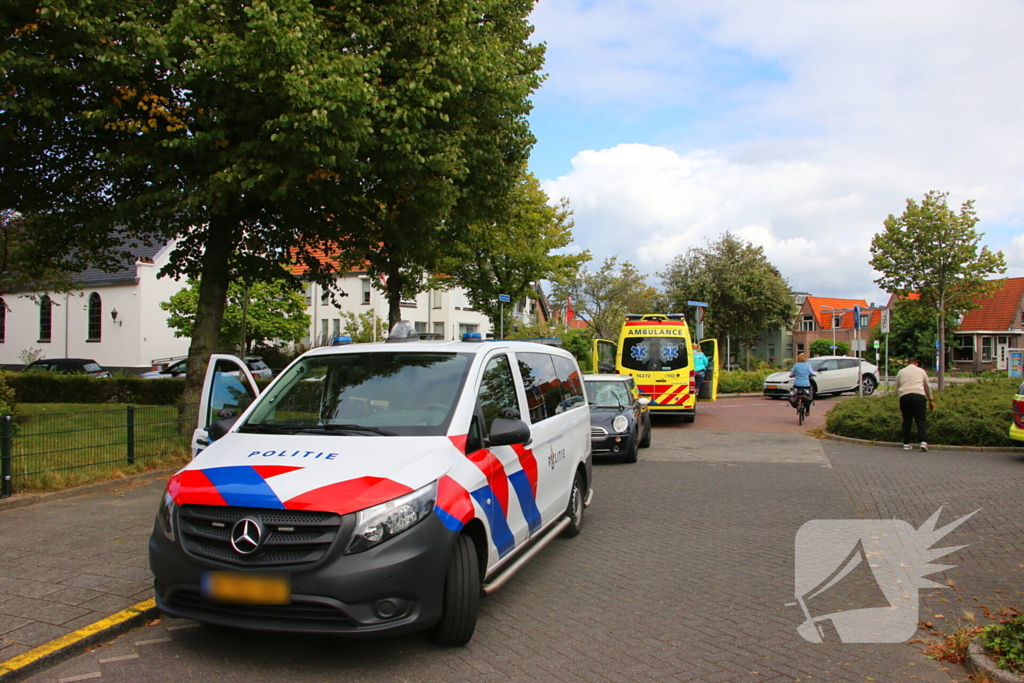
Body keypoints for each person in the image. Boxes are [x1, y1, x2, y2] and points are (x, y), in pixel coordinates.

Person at [893, 357, 934, 451]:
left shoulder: (901, 372)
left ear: (907, 363)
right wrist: (930, 397)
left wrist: (897, 395)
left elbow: (896, 386)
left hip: (905, 396)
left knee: (907, 420)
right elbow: (927, 385)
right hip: (919, 396)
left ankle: (906, 443)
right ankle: (923, 442)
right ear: (916, 364)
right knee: (920, 420)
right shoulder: (921, 371)